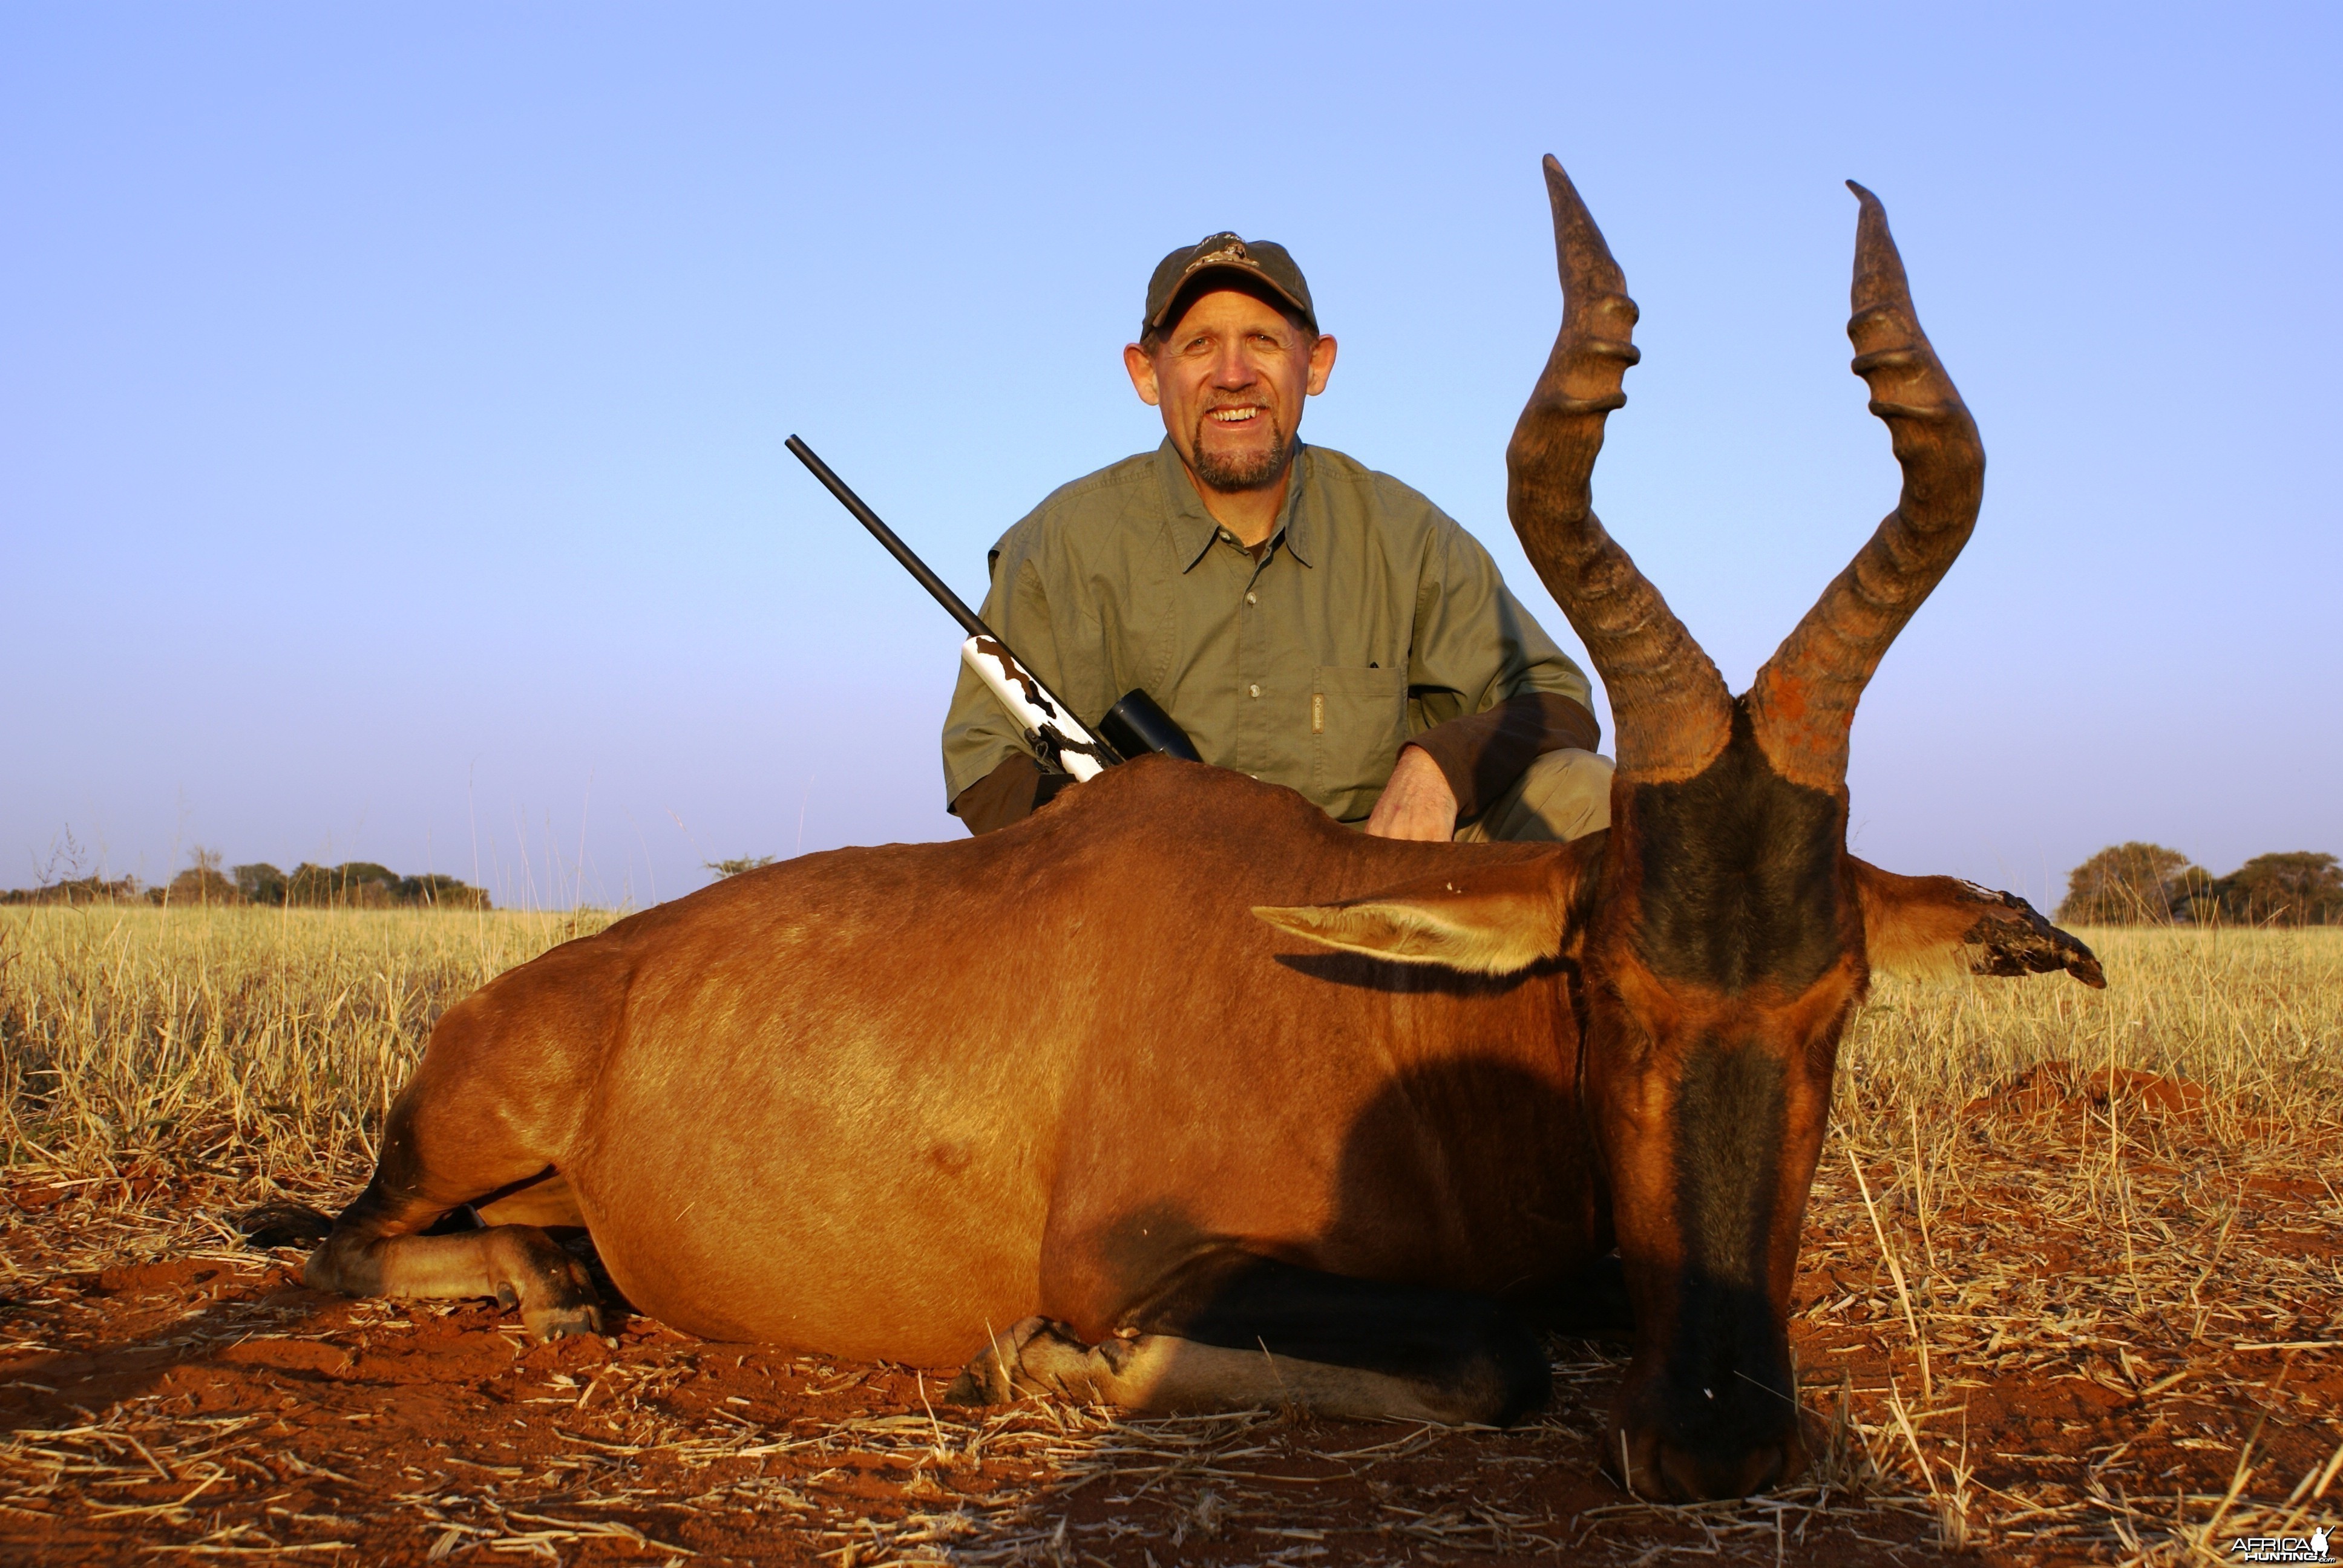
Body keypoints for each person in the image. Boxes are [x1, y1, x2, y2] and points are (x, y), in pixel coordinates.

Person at [940, 232, 1612, 843]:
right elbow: (982, 763)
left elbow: (1555, 698)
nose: (1232, 374)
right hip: (1145, 899)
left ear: (1315, 366)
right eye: (1199, 344)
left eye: (1262, 340)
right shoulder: (1060, 542)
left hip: (1368, 886)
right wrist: (1120, 826)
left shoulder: (1405, 535)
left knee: (1588, 794)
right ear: (1146, 374)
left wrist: (1436, 768)